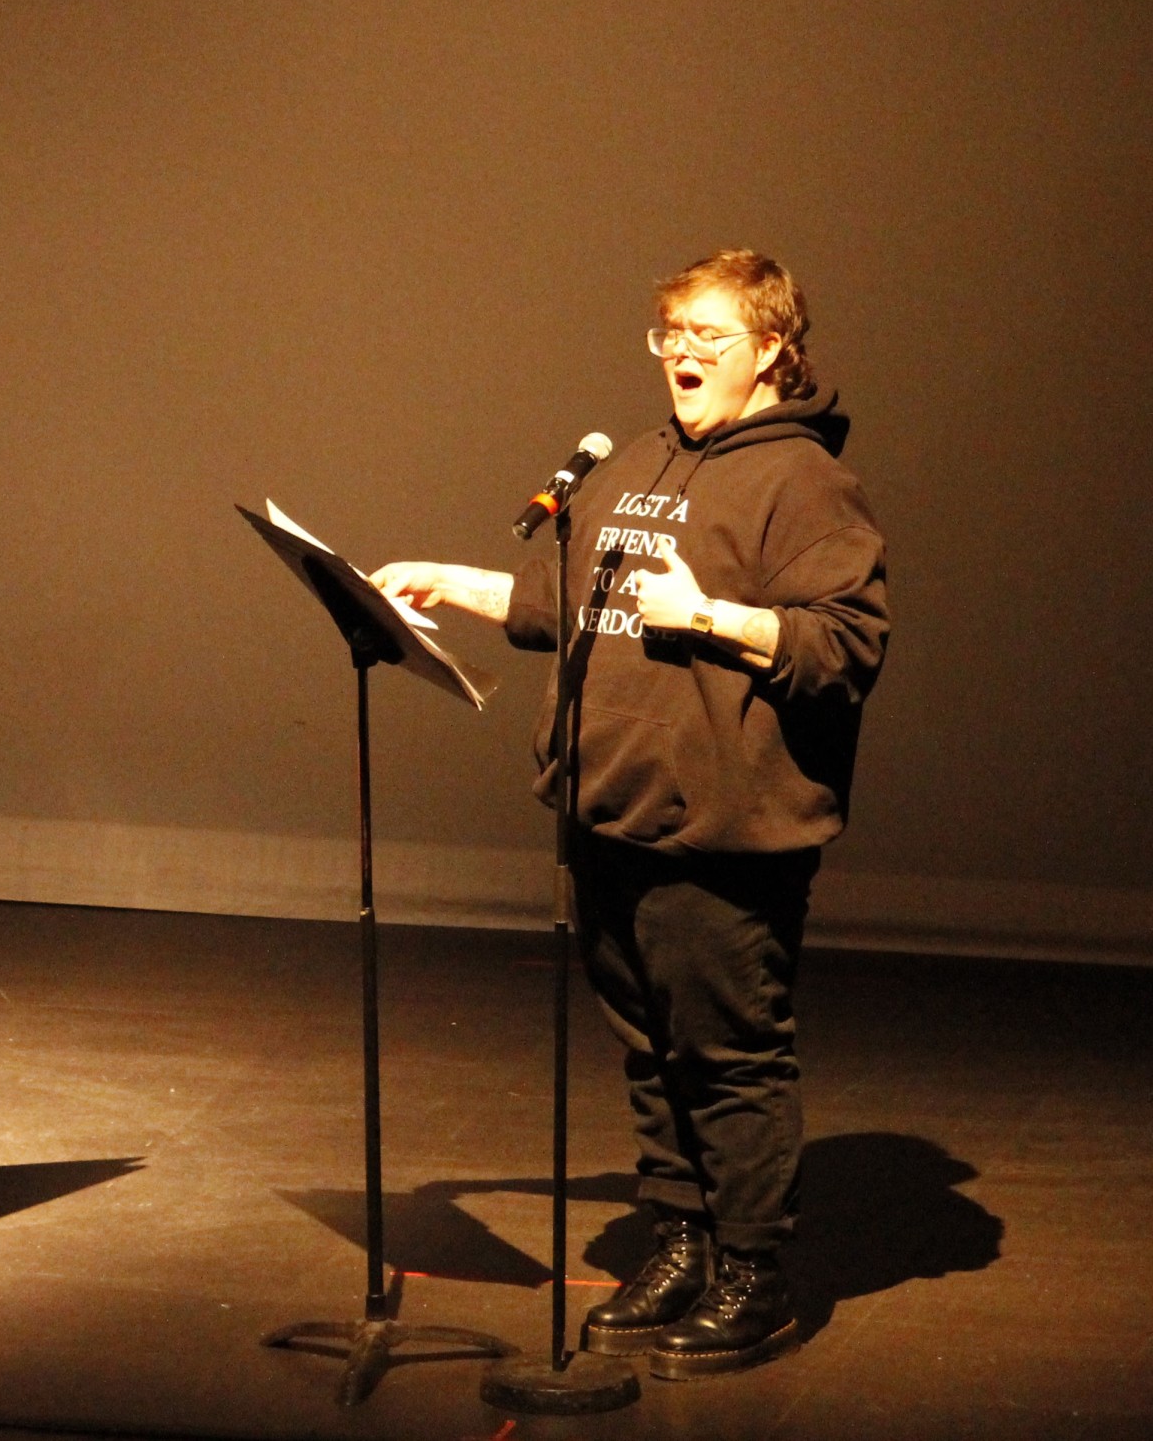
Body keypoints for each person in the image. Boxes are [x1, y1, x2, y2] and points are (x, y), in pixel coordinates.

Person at [370, 251, 888, 1379]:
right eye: (670, 334)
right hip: (606, 807)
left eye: (709, 335)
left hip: (723, 828)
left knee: (728, 1056)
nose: (682, 355)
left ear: (772, 350)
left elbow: (846, 646)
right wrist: (452, 581)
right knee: (651, 1053)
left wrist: (715, 618)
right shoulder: (635, 462)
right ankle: (682, 1241)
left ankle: (752, 1273)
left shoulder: (803, 481)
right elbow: (571, 605)